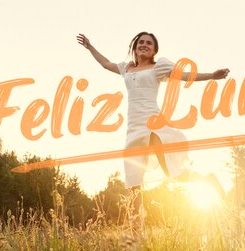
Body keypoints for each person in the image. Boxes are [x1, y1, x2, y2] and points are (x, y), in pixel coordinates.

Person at [77, 32, 229, 223]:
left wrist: (212, 76)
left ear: (154, 50)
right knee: (134, 182)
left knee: (173, 174)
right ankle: (135, 231)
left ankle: (208, 180)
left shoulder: (159, 67)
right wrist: (90, 46)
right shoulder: (126, 68)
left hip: (153, 124)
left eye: (149, 43)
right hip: (133, 127)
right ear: (135, 47)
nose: (145, 45)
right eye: (141, 42)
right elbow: (105, 63)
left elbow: (185, 76)